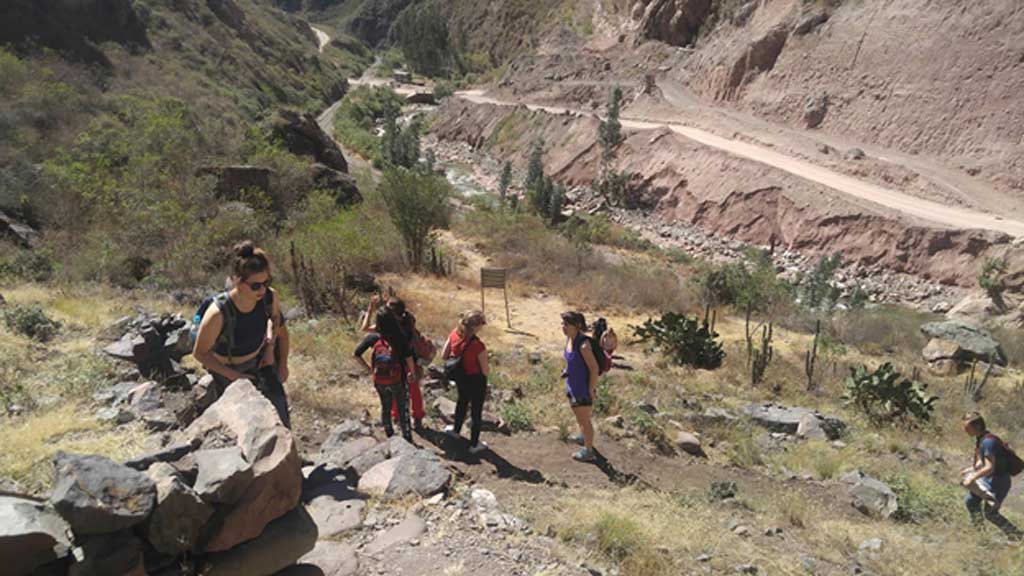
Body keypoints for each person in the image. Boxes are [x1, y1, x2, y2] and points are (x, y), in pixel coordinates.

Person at [193, 240, 291, 427]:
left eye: (266, 282)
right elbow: (200, 353)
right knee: (241, 424)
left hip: (260, 362)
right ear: (237, 280)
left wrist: (274, 354)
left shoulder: (269, 297)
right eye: (255, 286)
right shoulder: (218, 313)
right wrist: (235, 377)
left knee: (280, 412)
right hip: (227, 370)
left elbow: (277, 323)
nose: (262, 289)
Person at [361, 295, 429, 429]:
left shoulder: (387, 327)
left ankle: (397, 416)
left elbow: (365, 328)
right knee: (414, 390)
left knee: (393, 390)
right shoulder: (407, 322)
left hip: (395, 363)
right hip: (410, 362)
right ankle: (417, 418)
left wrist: (370, 310)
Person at [353, 310, 416, 441]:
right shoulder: (399, 337)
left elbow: (356, 354)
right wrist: (412, 373)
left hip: (380, 380)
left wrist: (370, 369)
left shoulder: (374, 337)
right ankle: (407, 436)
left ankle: (389, 434)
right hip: (398, 379)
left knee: (385, 407)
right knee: (402, 407)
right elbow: (409, 357)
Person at [961, 411, 1021, 538]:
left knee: (991, 513)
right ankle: (980, 535)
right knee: (971, 501)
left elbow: (989, 467)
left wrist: (972, 477)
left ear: (977, 426)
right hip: (988, 479)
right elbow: (980, 464)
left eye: (967, 428)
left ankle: (1017, 535)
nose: (965, 430)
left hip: (998, 482)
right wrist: (969, 470)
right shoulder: (981, 438)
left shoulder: (989, 442)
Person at [441, 310, 489, 454]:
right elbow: (485, 369)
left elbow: (444, 355)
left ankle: (456, 430)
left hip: (460, 377)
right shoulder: (478, 345)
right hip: (476, 379)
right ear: (475, 327)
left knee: (462, 401)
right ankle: (474, 444)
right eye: (482, 324)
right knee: (476, 411)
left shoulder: (454, 334)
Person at [561, 311, 600, 462]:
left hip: (582, 389)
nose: (563, 327)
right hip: (572, 385)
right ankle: (583, 437)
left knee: (585, 421)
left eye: (566, 324)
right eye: (562, 324)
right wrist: (567, 371)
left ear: (577, 326)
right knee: (580, 416)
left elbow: (594, 369)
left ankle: (589, 451)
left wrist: (590, 389)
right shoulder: (570, 340)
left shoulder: (584, 345)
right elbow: (572, 361)